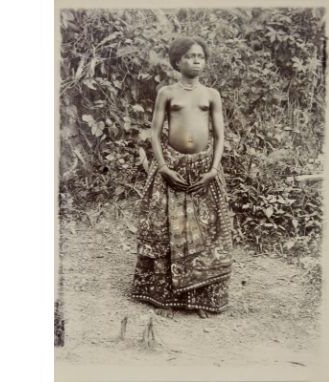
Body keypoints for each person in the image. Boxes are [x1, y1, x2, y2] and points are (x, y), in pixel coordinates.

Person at [131, 37, 233, 319]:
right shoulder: (167, 93)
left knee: (204, 232)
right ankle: (165, 297)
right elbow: (154, 131)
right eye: (190, 56)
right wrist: (163, 167)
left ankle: (201, 297)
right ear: (177, 61)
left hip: (203, 170)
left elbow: (220, 135)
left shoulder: (211, 95)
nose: (197, 60)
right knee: (167, 230)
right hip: (172, 167)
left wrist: (212, 170)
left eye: (201, 55)